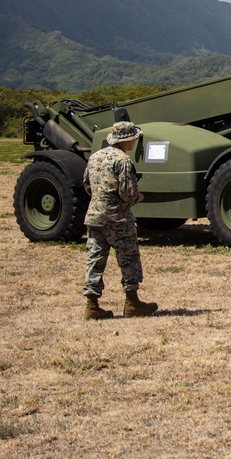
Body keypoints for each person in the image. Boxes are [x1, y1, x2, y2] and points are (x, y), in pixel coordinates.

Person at [82, 121, 158, 319]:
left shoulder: (95, 157)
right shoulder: (123, 160)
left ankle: (92, 305)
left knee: (95, 259)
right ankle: (132, 303)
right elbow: (128, 193)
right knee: (129, 258)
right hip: (118, 218)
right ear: (129, 139)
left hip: (95, 216)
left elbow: (87, 185)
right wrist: (139, 197)